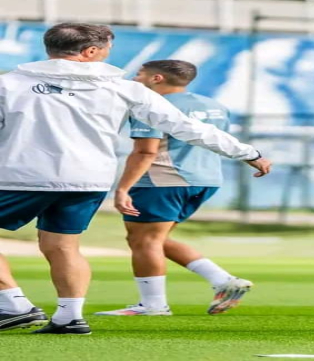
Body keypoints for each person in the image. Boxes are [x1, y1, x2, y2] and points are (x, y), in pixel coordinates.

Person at [0, 23, 272, 335]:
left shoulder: (11, 84)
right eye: (106, 50)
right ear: (90, 52)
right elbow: (186, 127)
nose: (107, 55)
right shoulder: (124, 88)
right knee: (63, 245)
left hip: (22, 177)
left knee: (62, 246)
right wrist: (248, 152)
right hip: (89, 181)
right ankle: (69, 317)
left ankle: (14, 303)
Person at [95, 60, 253, 317]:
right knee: (155, 240)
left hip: (162, 179)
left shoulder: (150, 105)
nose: (135, 79)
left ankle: (153, 305)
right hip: (206, 179)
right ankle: (223, 280)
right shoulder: (216, 106)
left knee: (144, 240)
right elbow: (220, 141)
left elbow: (146, 151)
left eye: (140, 74)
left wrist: (122, 188)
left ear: (156, 78)